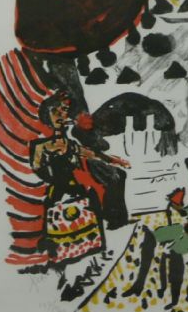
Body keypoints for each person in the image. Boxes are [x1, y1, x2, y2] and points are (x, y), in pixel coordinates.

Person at [30, 92, 130, 281]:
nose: (61, 115)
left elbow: (91, 153)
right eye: (55, 111)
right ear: (47, 116)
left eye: (64, 110)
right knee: (60, 231)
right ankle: (63, 273)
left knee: (90, 216)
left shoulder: (69, 144)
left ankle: (89, 268)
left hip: (76, 191)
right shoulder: (40, 146)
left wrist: (114, 160)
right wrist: (53, 171)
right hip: (59, 193)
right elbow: (37, 168)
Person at [123, 153, 188, 306]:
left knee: (175, 252)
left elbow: (186, 212)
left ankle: (174, 297)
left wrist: (175, 204)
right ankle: (139, 284)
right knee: (152, 235)